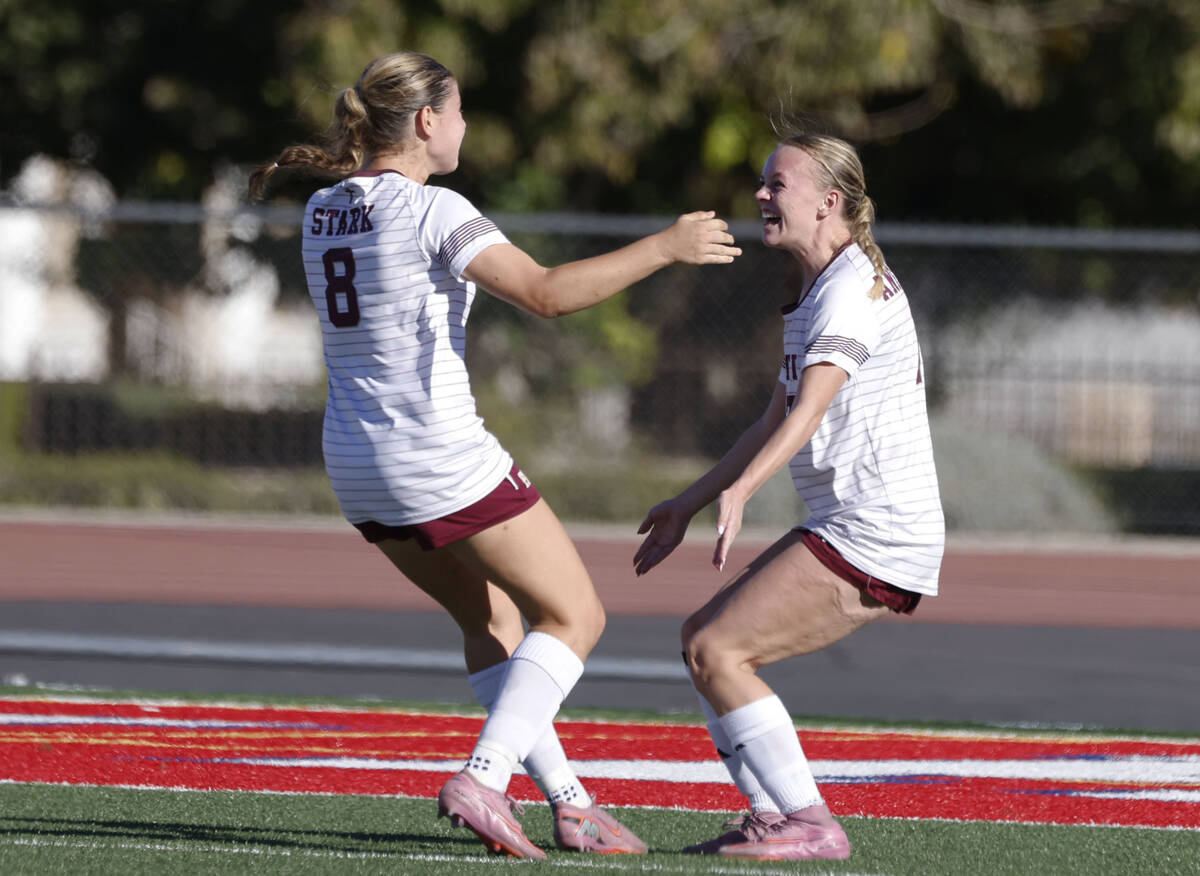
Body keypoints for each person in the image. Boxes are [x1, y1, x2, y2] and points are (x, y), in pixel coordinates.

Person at [247, 52, 739, 859]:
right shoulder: (434, 209)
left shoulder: (324, 208)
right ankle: (484, 776)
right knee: (577, 616)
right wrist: (664, 246)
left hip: (356, 462)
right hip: (438, 456)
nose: (467, 125)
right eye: (461, 109)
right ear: (428, 122)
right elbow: (545, 294)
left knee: (493, 621)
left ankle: (572, 803)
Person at [633, 131, 944, 861]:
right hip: (851, 525)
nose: (761, 196)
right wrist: (691, 500)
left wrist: (743, 491)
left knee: (717, 648)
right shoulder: (818, 288)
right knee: (702, 645)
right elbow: (775, 415)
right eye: (763, 182)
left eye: (778, 184)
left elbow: (808, 413)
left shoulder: (848, 291)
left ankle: (808, 822)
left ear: (828, 202)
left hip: (877, 534)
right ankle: (776, 815)